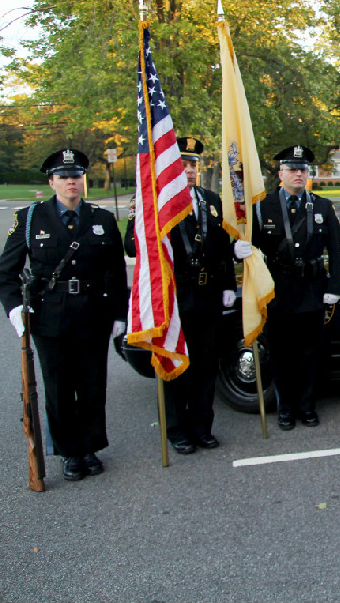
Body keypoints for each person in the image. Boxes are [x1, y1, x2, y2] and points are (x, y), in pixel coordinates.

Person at [0, 149, 127, 481]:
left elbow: (116, 272)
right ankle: (70, 452)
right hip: (50, 318)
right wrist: (15, 309)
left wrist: (119, 314)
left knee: (93, 385)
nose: (71, 181)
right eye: (64, 177)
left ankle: (91, 447)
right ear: (52, 181)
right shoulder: (29, 219)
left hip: (93, 314)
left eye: (76, 176)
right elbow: (6, 273)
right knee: (58, 387)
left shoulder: (102, 219)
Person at [124, 137, 236, 454]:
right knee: (174, 363)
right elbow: (132, 247)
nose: (187, 171)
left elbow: (223, 249)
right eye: (182, 165)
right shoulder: (155, 203)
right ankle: (177, 430)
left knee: (204, 366)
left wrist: (228, 283)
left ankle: (202, 427)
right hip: (173, 298)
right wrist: (147, 220)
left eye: (192, 166)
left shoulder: (211, 200)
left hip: (208, 296)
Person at [234, 145, 340, 430]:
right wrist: (239, 249)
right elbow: (253, 247)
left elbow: (336, 249)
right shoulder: (262, 208)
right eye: (292, 169)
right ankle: (285, 409)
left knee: (310, 353)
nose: (299, 174)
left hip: (311, 289)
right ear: (280, 173)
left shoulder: (322, 206)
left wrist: (335, 286)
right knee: (281, 354)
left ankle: (307, 407)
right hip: (278, 290)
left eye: (303, 170)